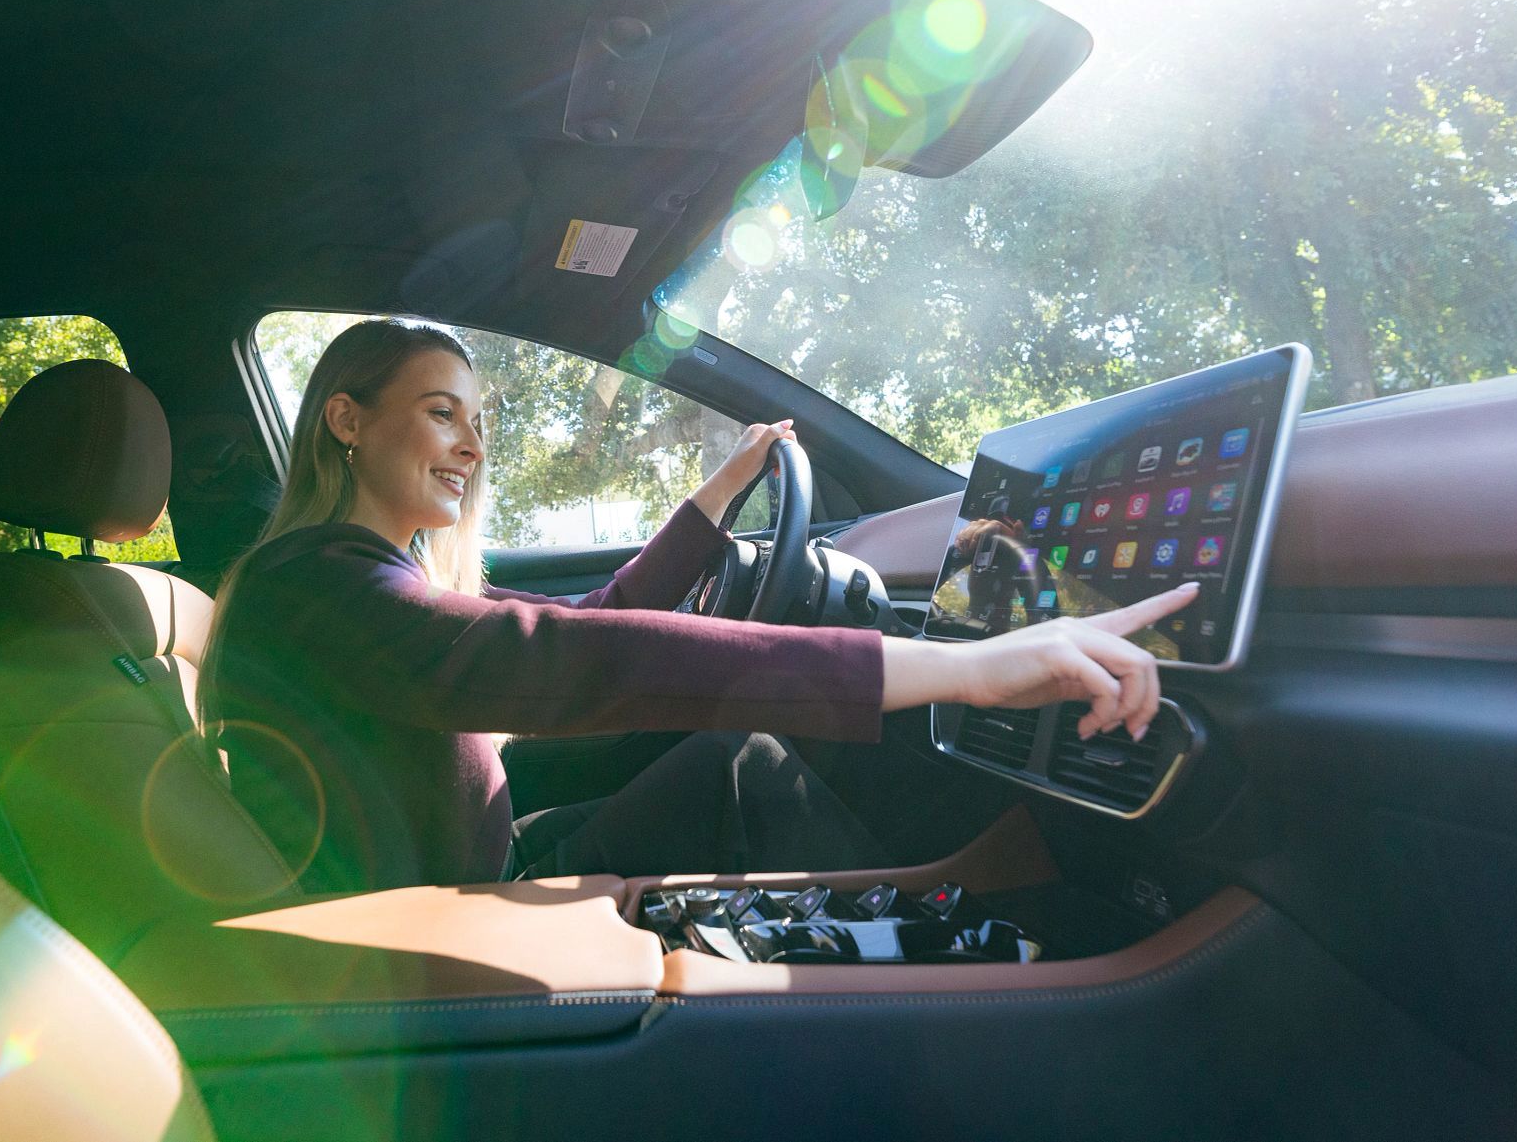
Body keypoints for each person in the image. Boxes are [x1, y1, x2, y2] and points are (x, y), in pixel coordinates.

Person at [203, 319, 1196, 892]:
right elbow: (567, 659)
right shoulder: (317, 587)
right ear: (347, 419)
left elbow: (593, 618)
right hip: (420, 937)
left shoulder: (376, 579)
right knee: (740, 772)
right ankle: (953, 939)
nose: (472, 444)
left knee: (724, 769)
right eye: (439, 413)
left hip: (479, 865)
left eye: (477, 421)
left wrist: (718, 497)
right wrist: (968, 668)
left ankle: (942, 899)